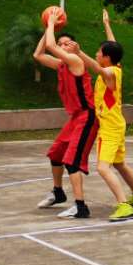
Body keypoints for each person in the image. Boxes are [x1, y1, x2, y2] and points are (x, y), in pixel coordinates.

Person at [77, 10, 133, 221]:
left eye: (99, 52)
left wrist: (79, 53)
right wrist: (107, 23)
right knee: (119, 164)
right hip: (116, 124)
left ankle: (123, 205)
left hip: (110, 127)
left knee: (102, 167)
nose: (96, 54)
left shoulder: (111, 72)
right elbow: (113, 46)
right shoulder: (116, 65)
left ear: (106, 58)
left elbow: (99, 69)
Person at [34, 15, 99, 219]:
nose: (62, 46)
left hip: (87, 117)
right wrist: (48, 29)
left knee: (72, 162)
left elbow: (51, 46)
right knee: (56, 154)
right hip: (75, 118)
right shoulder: (61, 64)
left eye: (66, 44)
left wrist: (51, 24)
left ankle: (81, 207)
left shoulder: (75, 61)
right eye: (60, 43)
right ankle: (58, 192)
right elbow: (39, 54)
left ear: (75, 48)